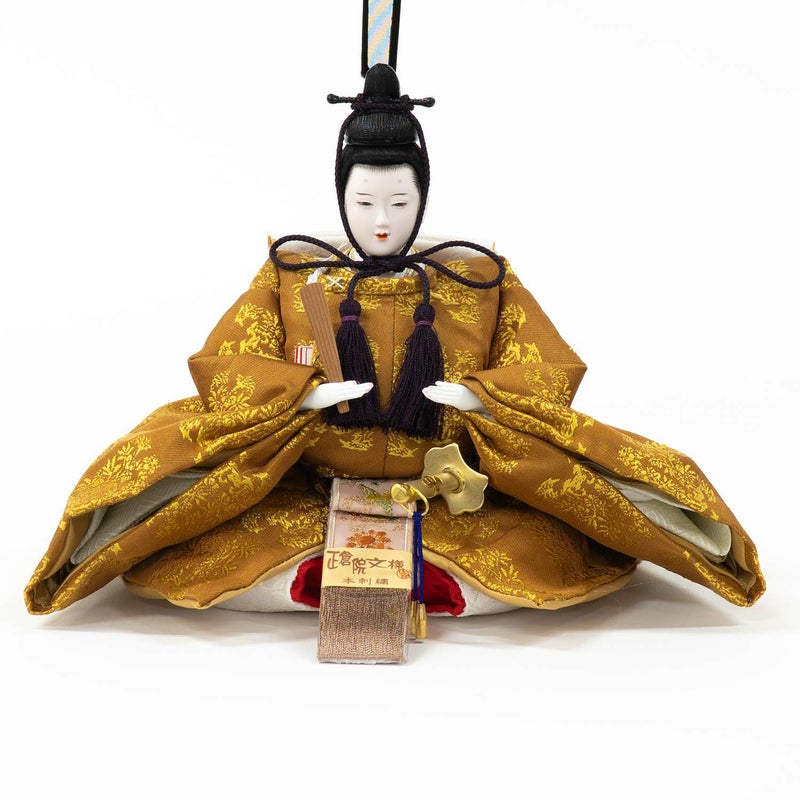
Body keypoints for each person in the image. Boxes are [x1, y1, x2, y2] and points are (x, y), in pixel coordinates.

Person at [24, 65, 764, 623]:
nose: (381, 221)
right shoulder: (295, 272)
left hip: (449, 489)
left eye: (400, 202)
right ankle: (320, 580)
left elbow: (545, 367)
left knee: (537, 544)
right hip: (307, 481)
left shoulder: (477, 275)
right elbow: (227, 363)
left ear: (423, 198)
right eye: (364, 201)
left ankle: (424, 580)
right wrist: (301, 396)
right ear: (341, 196)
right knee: (208, 531)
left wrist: (479, 398)